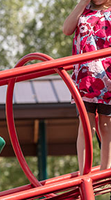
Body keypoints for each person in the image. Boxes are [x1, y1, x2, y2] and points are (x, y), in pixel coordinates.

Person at [63, 0, 111, 173]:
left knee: (106, 125)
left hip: (107, 77)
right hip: (85, 77)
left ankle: (106, 171)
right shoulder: (84, 11)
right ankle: (85, 172)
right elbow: (67, 30)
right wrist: (82, 3)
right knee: (85, 125)